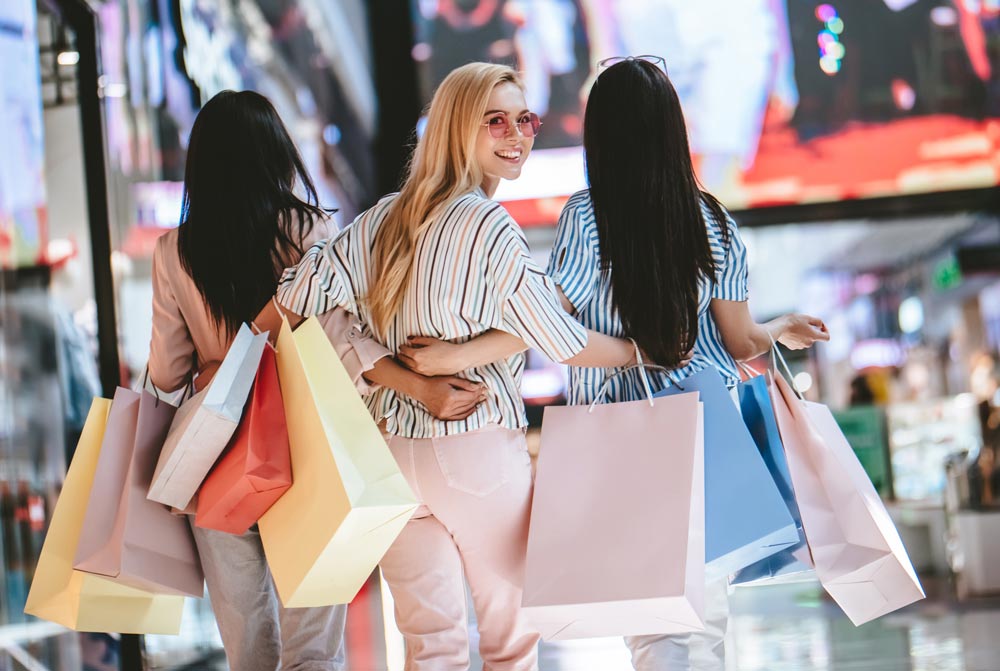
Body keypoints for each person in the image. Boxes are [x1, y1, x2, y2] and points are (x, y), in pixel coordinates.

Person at [399, 57, 830, 671]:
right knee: (706, 622)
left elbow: (547, 320)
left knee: (650, 622)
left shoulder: (586, 215)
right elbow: (738, 343)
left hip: (616, 434)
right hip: (708, 428)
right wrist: (778, 330)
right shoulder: (713, 222)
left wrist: (457, 354)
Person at [263, 62, 639, 670]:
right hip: (475, 445)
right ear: (459, 127)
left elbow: (298, 297)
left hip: (389, 455)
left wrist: (403, 377)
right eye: (496, 121)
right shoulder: (489, 224)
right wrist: (634, 351)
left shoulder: (383, 218)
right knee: (510, 640)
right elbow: (561, 339)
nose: (517, 134)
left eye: (526, 119)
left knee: (429, 644)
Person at [148, 90, 484, 671]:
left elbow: (166, 373)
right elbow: (342, 338)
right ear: (276, 153)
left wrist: (215, 361)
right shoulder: (310, 231)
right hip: (307, 452)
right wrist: (419, 385)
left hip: (217, 457)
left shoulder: (173, 250)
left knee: (249, 653)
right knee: (313, 651)